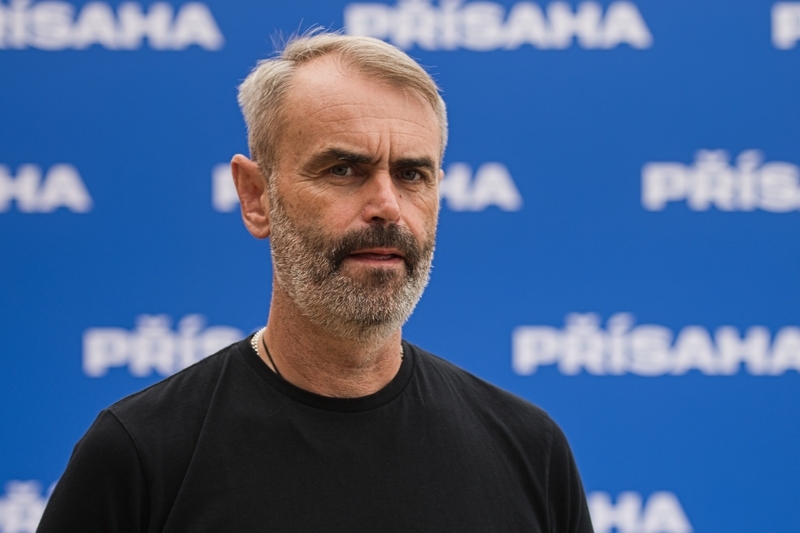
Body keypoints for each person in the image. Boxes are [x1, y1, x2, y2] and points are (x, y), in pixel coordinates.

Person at [38, 33, 594, 532]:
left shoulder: (531, 450)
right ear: (256, 196)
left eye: (411, 174)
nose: (387, 206)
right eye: (343, 170)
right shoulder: (140, 456)